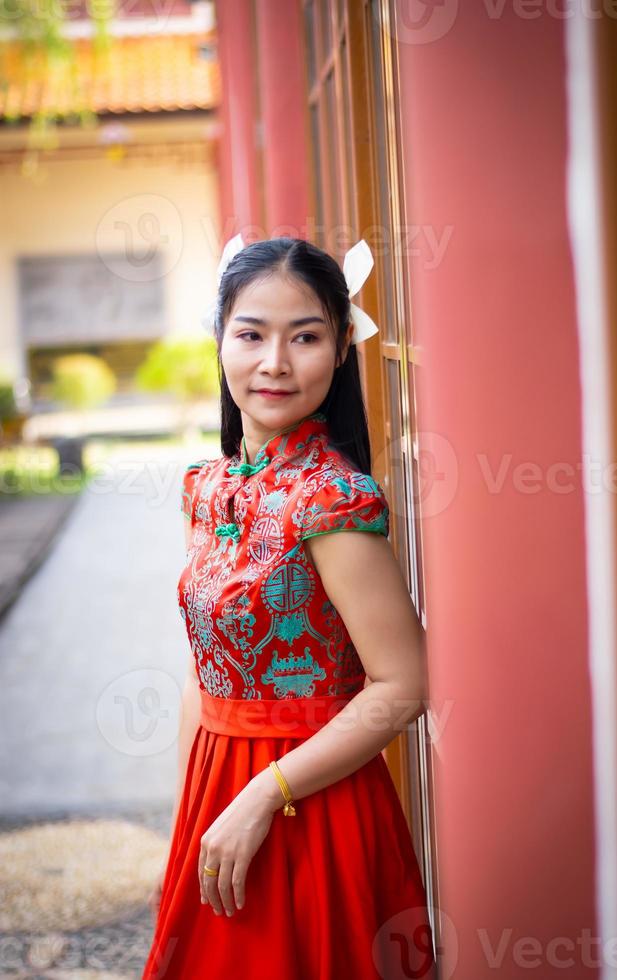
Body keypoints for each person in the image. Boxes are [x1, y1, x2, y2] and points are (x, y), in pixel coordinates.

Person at [142, 235, 437, 979]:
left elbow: (403, 687)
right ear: (220, 341)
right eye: (251, 334)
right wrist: (191, 821)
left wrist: (262, 799)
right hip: (219, 791)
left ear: (341, 349)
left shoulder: (333, 500)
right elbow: (200, 676)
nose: (274, 362)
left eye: (304, 337)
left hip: (314, 806)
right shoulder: (207, 488)